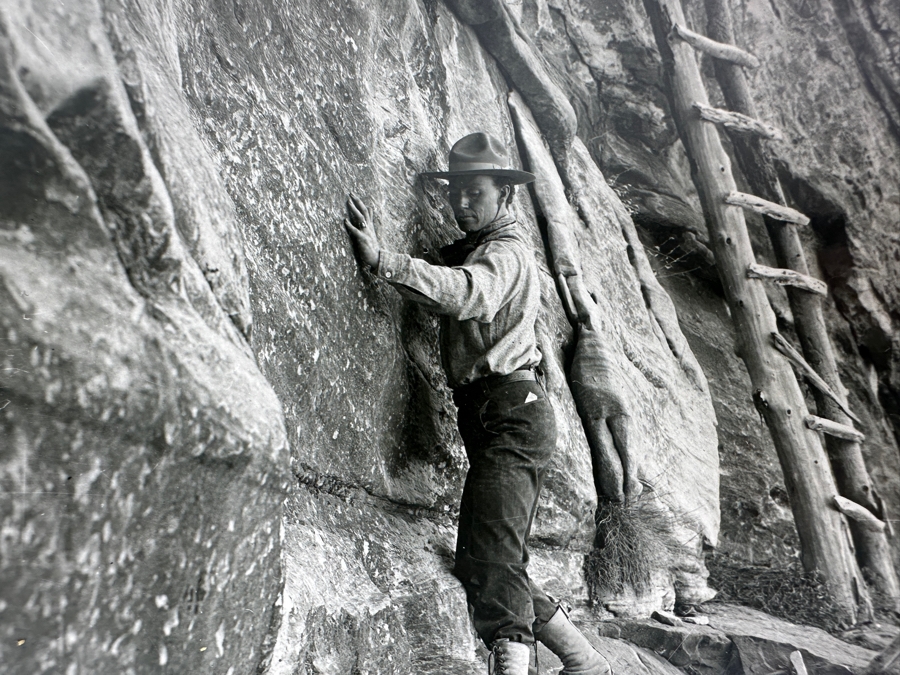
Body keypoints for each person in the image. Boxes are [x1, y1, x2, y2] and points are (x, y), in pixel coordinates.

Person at [344, 132, 612, 675]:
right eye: (456, 192)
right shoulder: (485, 247)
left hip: (513, 412)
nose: (462, 203)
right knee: (486, 561)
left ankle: (518, 663)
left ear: (506, 196)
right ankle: (587, 664)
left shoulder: (507, 253)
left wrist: (384, 261)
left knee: (491, 558)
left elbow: (469, 293)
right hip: (500, 414)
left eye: (476, 191)